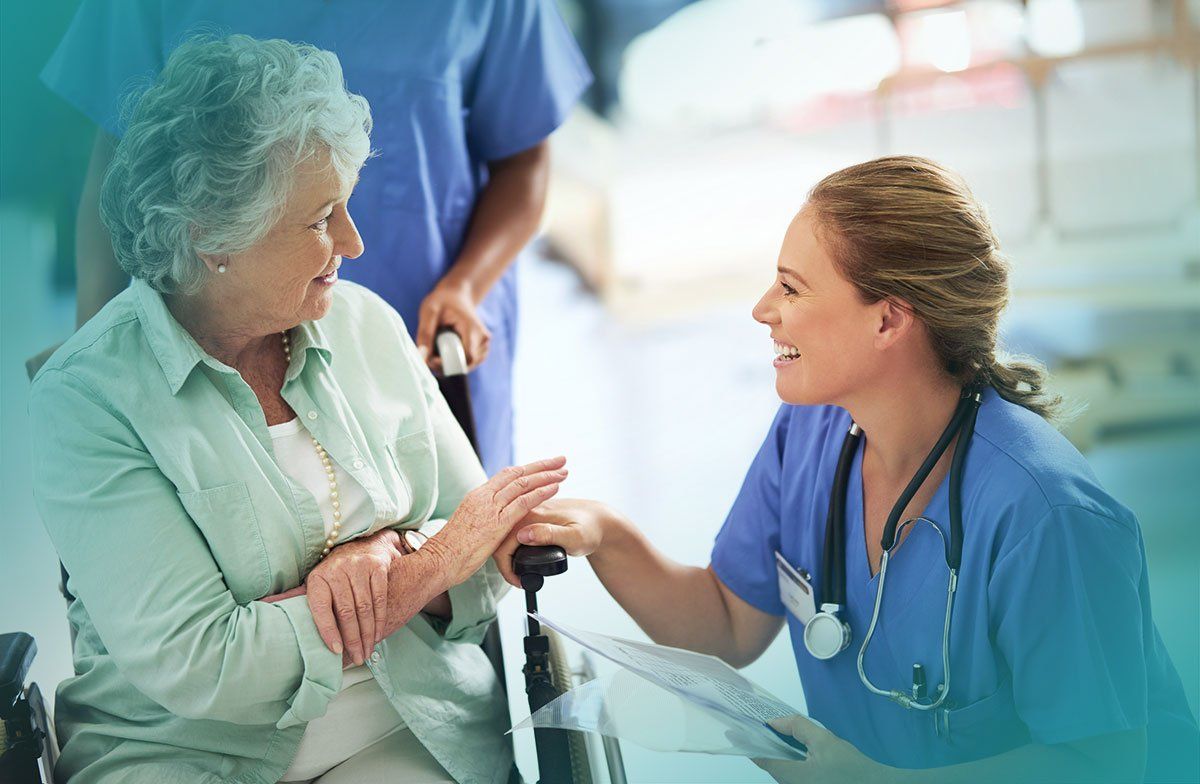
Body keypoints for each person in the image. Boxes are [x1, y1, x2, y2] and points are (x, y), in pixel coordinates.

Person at [494, 157, 1200, 782]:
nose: (762, 310)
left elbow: (1105, 765)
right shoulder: (811, 432)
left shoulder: (1046, 514)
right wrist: (605, 533)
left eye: (792, 289)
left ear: (889, 320)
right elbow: (726, 628)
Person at [30, 35, 568, 784]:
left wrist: (387, 557)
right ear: (212, 237)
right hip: (184, 754)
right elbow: (209, 664)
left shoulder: (366, 325)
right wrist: (423, 566)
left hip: (404, 727)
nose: (354, 240)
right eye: (320, 219)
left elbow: (487, 561)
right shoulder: (86, 400)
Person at [41, 0, 593, 476]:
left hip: (429, 338)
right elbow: (120, 160)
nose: (351, 244)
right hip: (218, 353)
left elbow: (524, 161)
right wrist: (95, 362)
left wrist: (466, 287)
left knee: (455, 561)